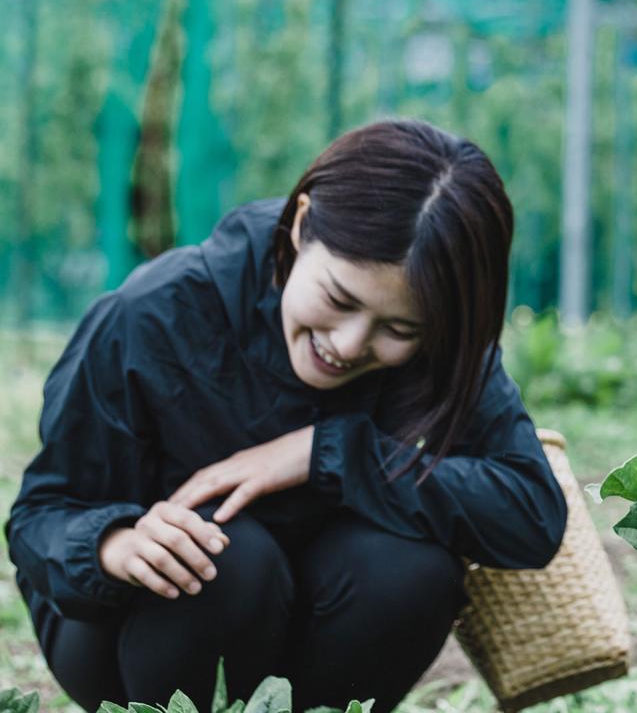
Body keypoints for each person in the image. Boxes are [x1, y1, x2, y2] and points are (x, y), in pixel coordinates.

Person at [6, 120, 568, 710]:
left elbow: (530, 513)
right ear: (301, 226)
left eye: (398, 329)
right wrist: (115, 544)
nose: (349, 344)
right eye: (338, 299)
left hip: (318, 625)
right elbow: (42, 515)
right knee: (225, 556)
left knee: (410, 569)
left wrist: (326, 453)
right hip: (135, 636)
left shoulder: (445, 345)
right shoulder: (154, 314)